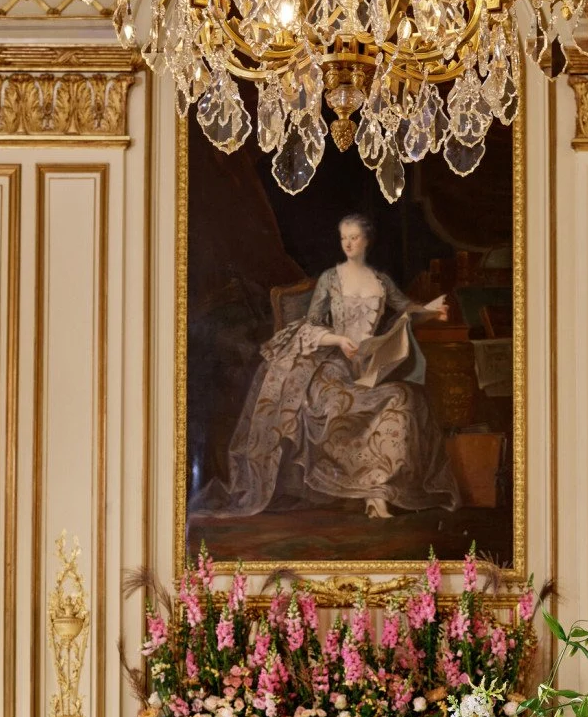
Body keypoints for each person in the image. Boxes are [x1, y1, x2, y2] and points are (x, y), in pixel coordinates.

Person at [194, 214, 461, 521]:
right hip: (331, 367)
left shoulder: (381, 281)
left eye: (354, 238)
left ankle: (377, 493)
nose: (348, 244)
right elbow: (310, 324)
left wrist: (429, 310)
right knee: (338, 404)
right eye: (343, 237)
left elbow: (405, 309)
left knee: (402, 400)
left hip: (369, 367)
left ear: (367, 241)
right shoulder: (330, 280)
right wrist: (338, 340)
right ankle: (369, 495)